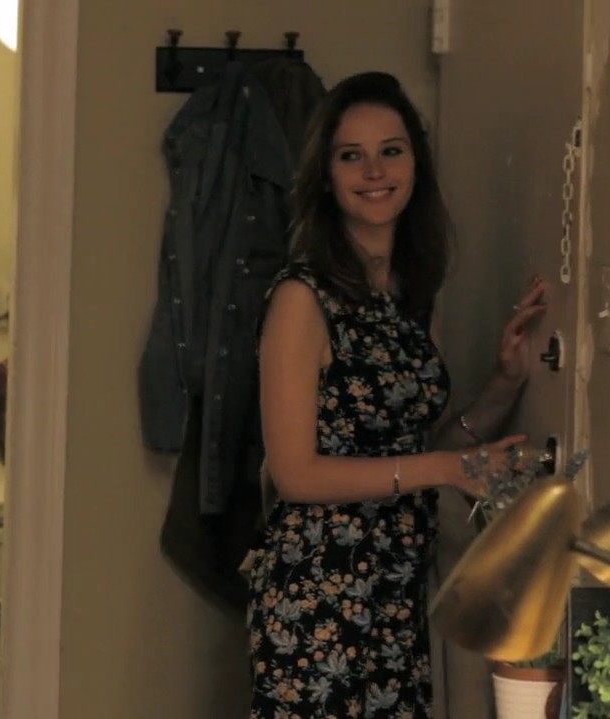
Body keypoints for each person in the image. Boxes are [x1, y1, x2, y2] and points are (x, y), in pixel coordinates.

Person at [242, 71, 549, 718]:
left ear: (416, 164)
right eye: (351, 155)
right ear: (326, 176)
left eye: (391, 150)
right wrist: (448, 468)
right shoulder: (302, 297)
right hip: (319, 597)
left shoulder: (407, 294)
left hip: (395, 588)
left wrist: (507, 380)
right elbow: (295, 474)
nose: (374, 170)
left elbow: (424, 449)